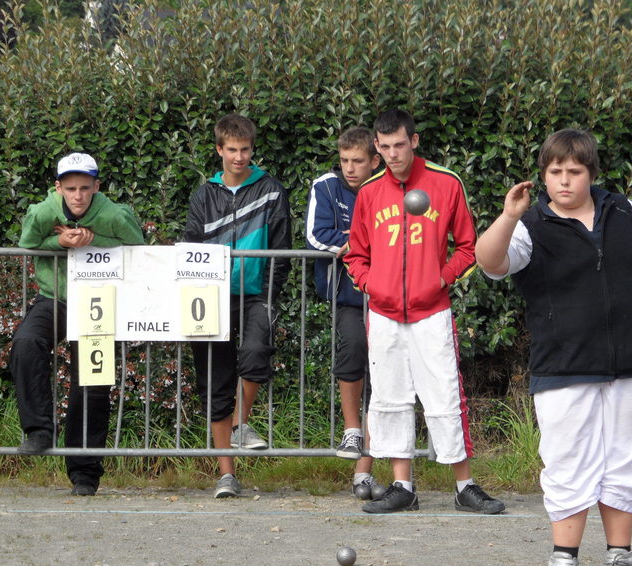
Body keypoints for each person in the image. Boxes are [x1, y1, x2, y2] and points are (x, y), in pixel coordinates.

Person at [475, 128, 632, 566]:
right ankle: (564, 564)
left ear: (591, 173)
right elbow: (489, 261)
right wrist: (508, 216)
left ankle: (619, 562)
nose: (564, 180)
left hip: (631, 363)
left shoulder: (623, 210)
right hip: (563, 366)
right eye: (555, 172)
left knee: (627, 461)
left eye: (575, 171)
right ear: (543, 175)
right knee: (567, 464)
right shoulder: (530, 224)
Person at [344, 108, 505, 515]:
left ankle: (464, 486)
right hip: (383, 313)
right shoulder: (369, 192)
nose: (394, 153)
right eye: (385, 147)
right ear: (377, 149)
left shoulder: (446, 183)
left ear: (414, 141)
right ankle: (403, 486)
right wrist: (371, 284)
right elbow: (355, 255)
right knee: (390, 397)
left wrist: (440, 279)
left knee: (445, 394)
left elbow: (468, 247)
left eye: (401, 144)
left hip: (431, 310)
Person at [13, 152, 144, 496]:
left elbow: (139, 247)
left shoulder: (114, 214)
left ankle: (85, 474)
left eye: (85, 188)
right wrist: (59, 241)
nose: (78, 195)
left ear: (96, 187)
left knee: (92, 381)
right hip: (53, 297)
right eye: (70, 188)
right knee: (26, 343)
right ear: (58, 188)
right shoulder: (43, 211)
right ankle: (39, 431)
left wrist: (93, 240)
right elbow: (27, 244)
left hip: (97, 302)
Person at [183, 114, 292, 499]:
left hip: (256, 296)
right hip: (209, 299)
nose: (239, 156)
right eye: (232, 149)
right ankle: (226, 474)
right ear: (219, 150)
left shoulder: (272, 190)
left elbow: (281, 252)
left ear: (252, 149)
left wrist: (270, 294)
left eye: (245, 149)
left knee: (256, 353)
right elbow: (191, 250)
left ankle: (241, 424)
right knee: (215, 383)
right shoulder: (203, 195)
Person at [305, 126, 383, 500]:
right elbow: (317, 236)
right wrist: (361, 244)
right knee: (353, 350)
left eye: (358, 161)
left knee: (384, 377)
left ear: (374, 161)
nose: (350, 168)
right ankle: (352, 430)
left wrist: (355, 242)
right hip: (348, 295)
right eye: (345, 161)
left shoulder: (387, 186)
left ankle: (363, 472)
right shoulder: (325, 185)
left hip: (388, 296)